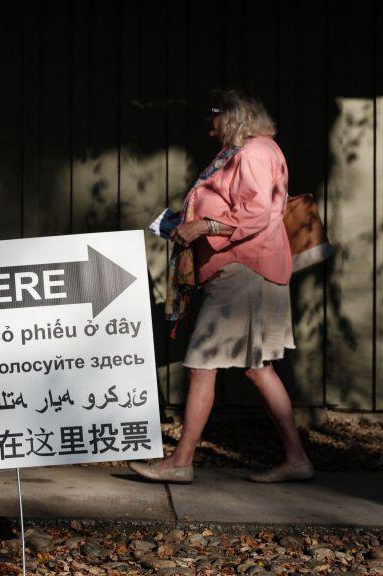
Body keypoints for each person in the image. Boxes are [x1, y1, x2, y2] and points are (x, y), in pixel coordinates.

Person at [130, 90, 314, 484]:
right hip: (238, 270)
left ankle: (180, 462)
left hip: (244, 271)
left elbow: (257, 212)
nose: (208, 124)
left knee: (200, 364)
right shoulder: (236, 153)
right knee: (257, 367)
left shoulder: (255, 152)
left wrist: (204, 226)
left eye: (213, 115)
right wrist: (183, 221)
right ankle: (296, 459)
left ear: (232, 116)